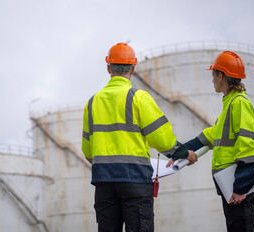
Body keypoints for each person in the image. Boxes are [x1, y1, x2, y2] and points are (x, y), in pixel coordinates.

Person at [81, 42, 198, 232]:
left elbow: (87, 151)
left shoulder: (92, 103)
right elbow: (162, 139)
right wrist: (185, 154)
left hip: (104, 184)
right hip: (134, 182)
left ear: (108, 67)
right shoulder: (138, 97)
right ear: (133, 68)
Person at [169, 51, 254, 232]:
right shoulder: (230, 103)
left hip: (238, 191)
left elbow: (248, 147)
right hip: (232, 188)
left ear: (221, 76)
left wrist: (240, 188)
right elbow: (211, 135)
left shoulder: (239, 103)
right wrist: (181, 151)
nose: (212, 79)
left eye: (213, 74)